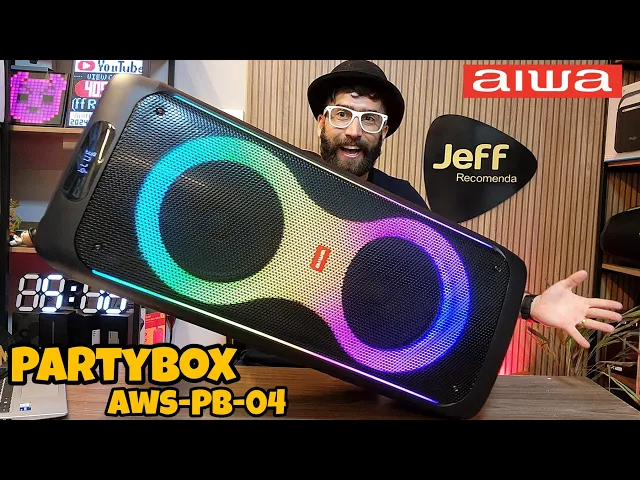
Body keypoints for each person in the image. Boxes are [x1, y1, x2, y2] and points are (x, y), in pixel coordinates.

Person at [235, 60, 622, 366]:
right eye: (342, 114)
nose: (354, 131)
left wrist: (530, 305)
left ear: (383, 132)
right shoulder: (275, 175)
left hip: (354, 374)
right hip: (268, 366)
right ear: (322, 121)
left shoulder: (401, 200)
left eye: (370, 119)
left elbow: (448, 283)